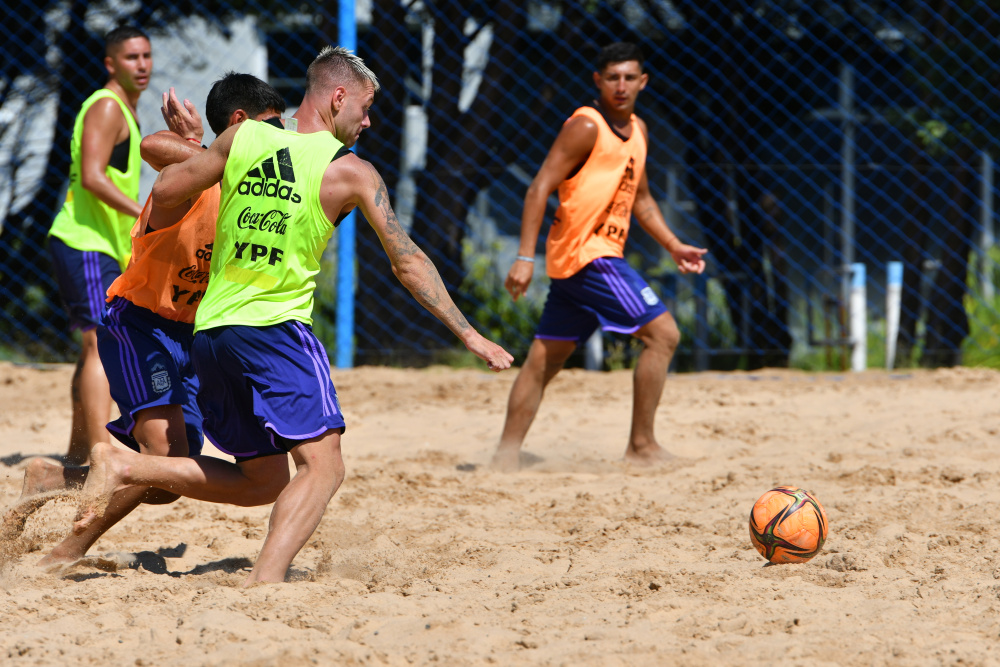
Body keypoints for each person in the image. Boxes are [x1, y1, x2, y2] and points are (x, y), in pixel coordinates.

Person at [75, 46, 514, 586]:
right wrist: (468, 332)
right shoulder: (352, 172)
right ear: (337, 97)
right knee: (325, 467)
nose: (368, 121)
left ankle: (130, 466)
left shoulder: (244, 139)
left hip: (210, 334)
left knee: (262, 482)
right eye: (366, 107)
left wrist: (205, 158)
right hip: (274, 329)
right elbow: (408, 261)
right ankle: (266, 584)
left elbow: (165, 186)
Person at [26, 74, 290, 569]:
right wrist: (198, 144)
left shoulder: (253, 192)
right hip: (140, 324)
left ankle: (53, 480)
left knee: (166, 482)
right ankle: (65, 554)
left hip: (192, 336)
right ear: (239, 125)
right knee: (161, 457)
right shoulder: (192, 176)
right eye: (273, 126)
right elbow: (152, 143)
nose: (283, 139)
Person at [491, 42, 708, 472]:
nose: (622, 86)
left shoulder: (639, 131)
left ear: (643, 81)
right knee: (664, 335)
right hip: (590, 257)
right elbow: (539, 188)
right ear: (598, 80)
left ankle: (503, 457)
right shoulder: (586, 126)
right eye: (613, 77)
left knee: (542, 361)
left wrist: (673, 244)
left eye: (630, 77)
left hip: (581, 263)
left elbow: (641, 199)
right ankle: (642, 445)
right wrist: (523, 257)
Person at [48, 25, 152, 466]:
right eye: (131, 58)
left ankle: (78, 454)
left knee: (92, 344)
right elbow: (91, 177)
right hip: (85, 241)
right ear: (110, 64)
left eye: (147, 56)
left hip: (99, 244)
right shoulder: (108, 107)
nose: (143, 65)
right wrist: (145, 214)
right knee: (98, 342)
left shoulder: (124, 109)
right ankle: (99, 458)